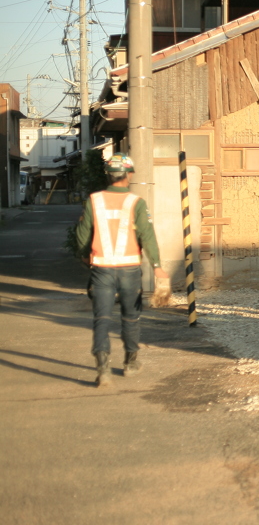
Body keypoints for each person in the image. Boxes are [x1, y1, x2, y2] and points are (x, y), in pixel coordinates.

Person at [75, 153, 169, 387]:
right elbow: (147, 236)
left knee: (101, 319)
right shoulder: (136, 202)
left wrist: (86, 257)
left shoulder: (94, 200)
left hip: (102, 269)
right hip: (129, 270)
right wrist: (157, 267)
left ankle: (103, 370)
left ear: (108, 175)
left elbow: (83, 234)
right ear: (129, 175)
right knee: (130, 317)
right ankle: (130, 363)